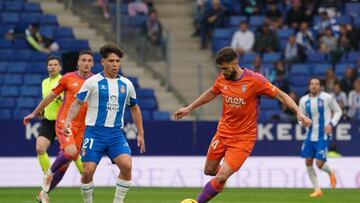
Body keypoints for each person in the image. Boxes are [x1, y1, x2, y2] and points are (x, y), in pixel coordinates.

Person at [174, 47, 311, 203]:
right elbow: (212, 92)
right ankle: (220, 180)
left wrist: (298, 112)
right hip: (222, 133)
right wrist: (189, 107)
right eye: (221, 69)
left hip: (243, 139)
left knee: (220, 177)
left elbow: (280, 94)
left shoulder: (255, 80)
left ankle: (200, 199)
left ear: (235, 63)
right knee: (209, 171)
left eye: (225, 68)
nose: (223, 72)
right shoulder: (222, 78)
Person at [63, 44, 145, 203]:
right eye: (111, 61)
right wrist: (67, 122)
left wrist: (141, 133)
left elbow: (135, 108)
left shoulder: (126, 84)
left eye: (118, 61)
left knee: (127, 165)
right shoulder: (92, 82)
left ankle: (118, 201)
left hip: (115, 133)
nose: (115, 64)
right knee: (88, 172)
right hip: (94, 132)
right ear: (103, 62)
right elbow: (77, 103)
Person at [23, 50, 95, 203]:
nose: (86, 63)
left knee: (66, 166)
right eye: (83, 60)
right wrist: (34, 113)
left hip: (83, 127)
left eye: (89, 60)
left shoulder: (96, 81)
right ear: (78, 63)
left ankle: (43, 193)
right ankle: (49, 173)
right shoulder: (68, 78)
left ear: (93, 63)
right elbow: (50, 96)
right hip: (65, 122)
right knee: (70, 152)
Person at [299, 78, 342, 197]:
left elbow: (338, 112)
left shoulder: (327, 98)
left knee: (319, 163)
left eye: (316, 84)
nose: (314, 86)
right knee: (308, 161)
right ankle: (317, 190)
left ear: (320, 86)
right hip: (310, 135)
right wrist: (303, 123)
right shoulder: (303, 100)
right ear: (309, 86)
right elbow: (300, 117)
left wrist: (331, 124)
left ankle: (331, 172)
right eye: (312, 84)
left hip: (323, 135)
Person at [35, 56, 63, 174]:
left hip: (63, 121)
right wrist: (41, 110)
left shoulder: (64, 80)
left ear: (60, 67)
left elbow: (69, 100)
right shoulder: (44, 82)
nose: (52, 67)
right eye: (50, 65)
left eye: (55, 65)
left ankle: (86, 178)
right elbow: (45, 100)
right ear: (47, 67)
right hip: (48, 121)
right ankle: (48, 177)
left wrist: (61, 98)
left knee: (73, 153)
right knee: (40, 148)